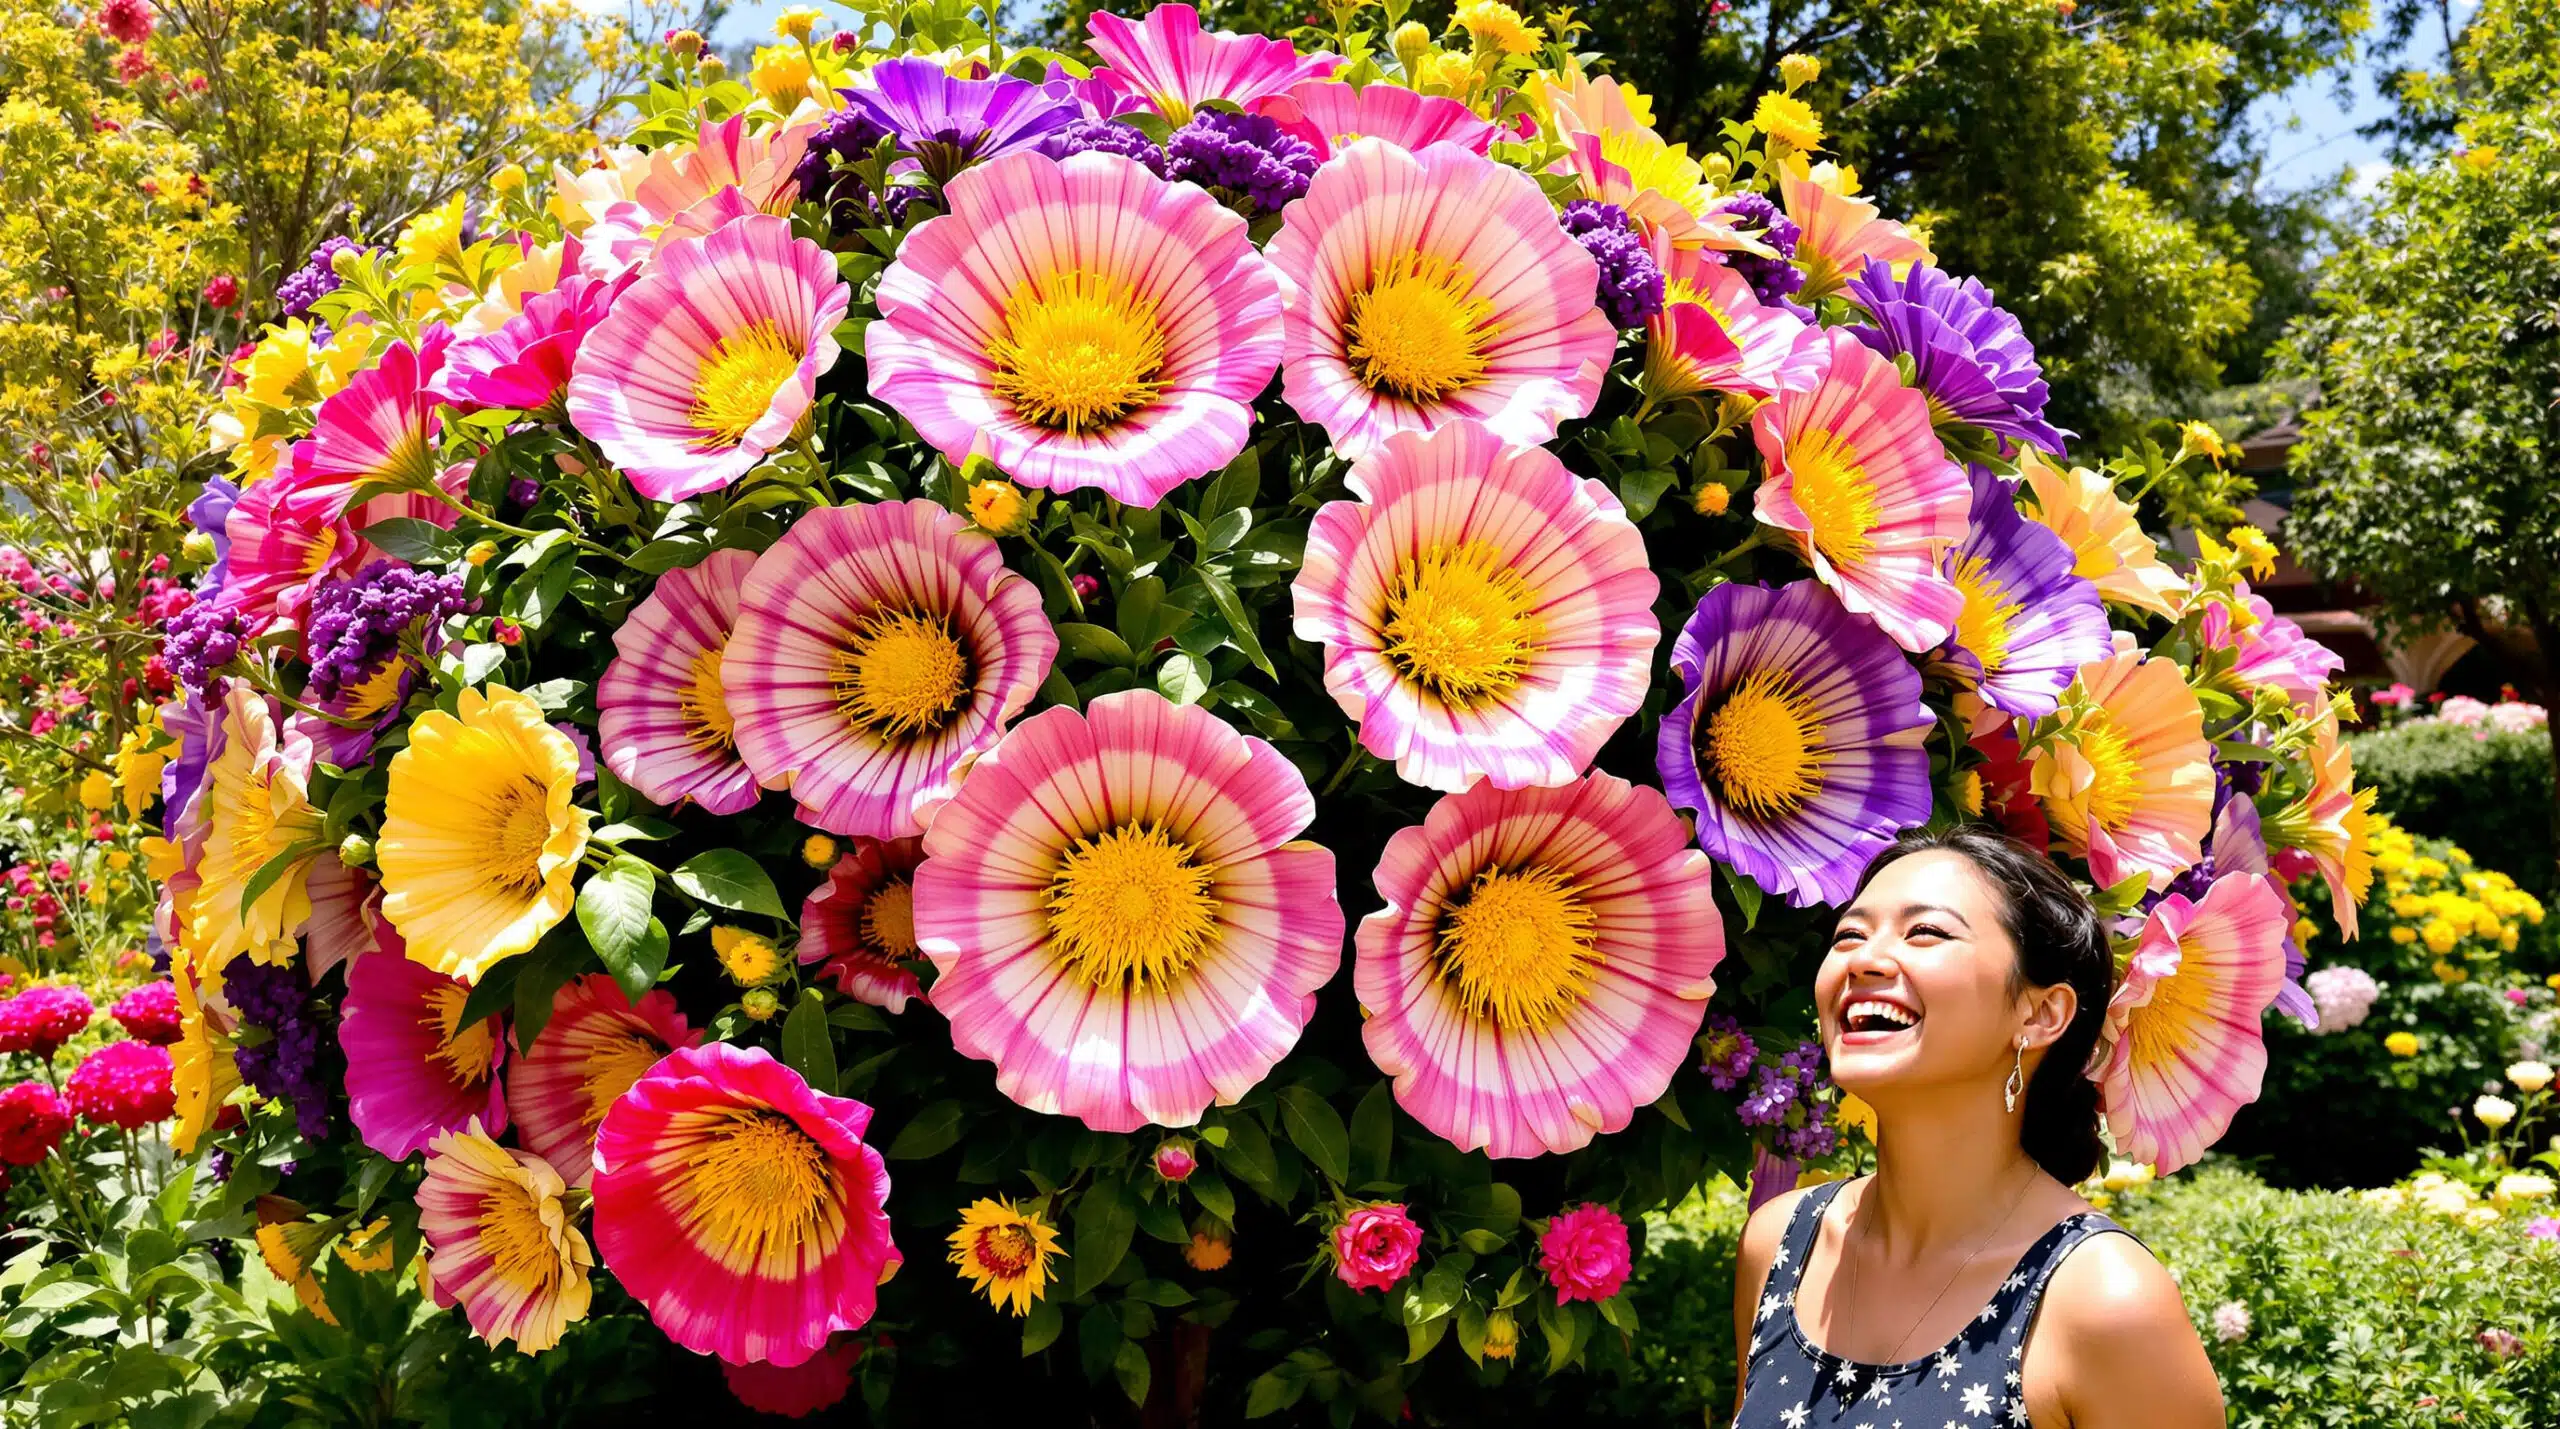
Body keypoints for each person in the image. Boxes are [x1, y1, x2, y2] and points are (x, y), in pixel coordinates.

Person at [1728, 826, 2224, 1428]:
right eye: (1849, 935)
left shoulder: (2104, 1301)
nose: (1864, 959)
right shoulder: (1780, 1244)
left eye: (1926, 932)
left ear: (2040, 1014)